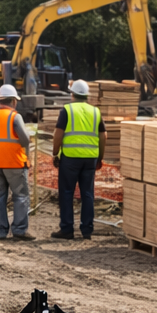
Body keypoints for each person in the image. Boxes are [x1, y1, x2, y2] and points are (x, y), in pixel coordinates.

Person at [52, 79, 105, 239]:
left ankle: (67, 229)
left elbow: (58, 134)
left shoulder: (67, 110)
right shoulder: (95, 112)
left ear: (72, 94)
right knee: (87, 193)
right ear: (87, 96)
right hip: (90, 159)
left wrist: (55, 153)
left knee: (67, 193)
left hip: (70, 158)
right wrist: (100, 157)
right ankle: (87, 230)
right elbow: (103, 136)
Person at [0, 84, 34, 241]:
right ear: (14, 101)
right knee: (21, 196)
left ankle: (2, 232)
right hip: (15, 163)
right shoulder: (15, 117)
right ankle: (19, 230)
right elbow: (25, 139)